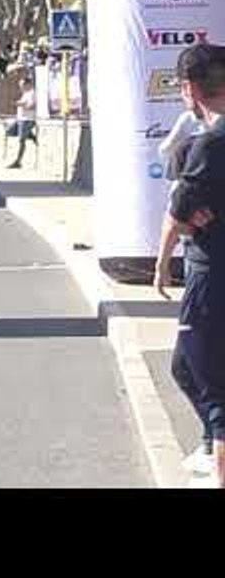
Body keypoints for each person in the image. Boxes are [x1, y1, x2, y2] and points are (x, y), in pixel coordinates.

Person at [153, 44, 225, 489]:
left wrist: (162, 264)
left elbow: (180, 212)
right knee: (187, 366)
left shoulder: (211, 145)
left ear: (189, 89)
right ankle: (209, 446)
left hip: (211, 275)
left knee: (210, 383)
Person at [7, 76, 39, 169]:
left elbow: (32, 106)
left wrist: (22, 105)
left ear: (28, 84)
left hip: (27, 119)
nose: (21, 87)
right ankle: (30, 134)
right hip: (20, 118)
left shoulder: (32, 93)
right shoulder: (26, 93)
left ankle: (18, 161)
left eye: (22, 85)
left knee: (21, 140)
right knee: (9, 131)